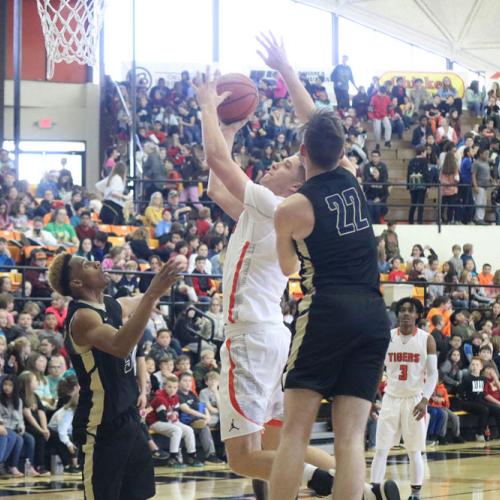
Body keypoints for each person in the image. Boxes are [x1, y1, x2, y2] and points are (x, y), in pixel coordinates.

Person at [195, 37, 387, 499]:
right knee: (305, 439)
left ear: (301, 166)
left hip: (258, 331)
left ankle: (319, 482)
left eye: (284, 160)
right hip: (302, 326)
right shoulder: (345, 183)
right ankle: (356, 486)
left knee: (251, 453)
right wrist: (235, 125)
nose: (274, 164)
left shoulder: (277, 207)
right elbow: (218, 184)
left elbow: (218, 163)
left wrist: (207, 108)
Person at [254, 34, 398, 500]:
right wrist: (287, 68)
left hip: (328, 309)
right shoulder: (353, 177)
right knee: (351, 437)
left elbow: (288, 267)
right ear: (340, 151)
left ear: (300, 151)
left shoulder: (291, 208)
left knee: (295, 430)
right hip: (374, 314)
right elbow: (316, 121)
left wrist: (292, 240)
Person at [47, 252, 181, 500]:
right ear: (77, 283)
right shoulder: (82, 317)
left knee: (138, 494)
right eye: (87, 265)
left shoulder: (109, 303)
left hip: (128, 416)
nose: (97, 263)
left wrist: (164, 283)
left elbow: (136, 301)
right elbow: (120, 345)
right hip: (101, 424)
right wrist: (152, 294)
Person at [370, 298, 437, 500]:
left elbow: (433, 374)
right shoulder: (387, 337)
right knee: (380, 449)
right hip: (390, 399)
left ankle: (415, 493)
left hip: (414, 400)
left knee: (414, 450)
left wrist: (425, 399)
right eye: (402, 310)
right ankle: (374, 490)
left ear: (417, 315)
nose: (406, 313)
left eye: (411, 310)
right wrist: (372, 396)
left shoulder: (427, 339)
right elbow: (377, 369)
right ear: (397, 314)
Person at [407, 145, 429, 224]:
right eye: (425, 151)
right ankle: (419, 221)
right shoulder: (424, 161)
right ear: (422, 152)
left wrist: (408, 186)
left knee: (413, 203)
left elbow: (408, 173)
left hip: (412, 185)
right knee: (420, 204)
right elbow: (426, 174)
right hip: (421, 185)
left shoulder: (411, 161)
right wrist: (428, 185)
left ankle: (410, 220)